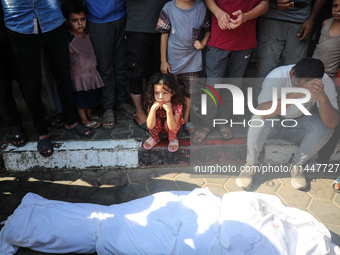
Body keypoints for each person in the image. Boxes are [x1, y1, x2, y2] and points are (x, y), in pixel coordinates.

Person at [1, 0, 93, 157]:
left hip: (52, 22)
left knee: (63, 76)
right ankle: (42, 133)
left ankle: (71, 121)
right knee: (31, 85)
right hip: (21, 26)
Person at [236, 58, 339, 191]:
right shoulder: (277, 75)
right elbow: (263, 112)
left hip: (298, 125)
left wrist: (323, 98)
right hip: (274, 123)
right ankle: (250, 164)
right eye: (298, 85)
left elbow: (332, 123)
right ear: (292, 72)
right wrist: (295, 94)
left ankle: (297, 164)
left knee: (324, 127)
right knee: (258, 117)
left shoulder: (324, 82)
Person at [192, 0, 268, 143]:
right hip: (219, 39)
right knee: (213, 85)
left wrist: (245, 16)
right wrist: (218, 12)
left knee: (234, 85)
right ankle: (206, 124)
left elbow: (264, 4)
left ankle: (223, 121)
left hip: (244, 40)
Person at [156, 0, 211, 134]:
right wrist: (163, 60)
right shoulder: (169, 8)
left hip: (193, 60)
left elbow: (208, 29)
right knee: (171, 92)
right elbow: (164, 35)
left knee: (189, 93)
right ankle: (172, 120)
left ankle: (186, 120)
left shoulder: (200, 7)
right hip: (173, 60)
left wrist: (203, 42)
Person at [255, 0, 327, 102]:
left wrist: (312, 18)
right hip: (272, 17)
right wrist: (273, 1)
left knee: (295, 74)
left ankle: (289, 113)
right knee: (265, 71)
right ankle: (259, 111)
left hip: (301, 19)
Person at [83, 0, 135, 129]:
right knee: (104, 67)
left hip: (122, 14)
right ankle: (108, 107)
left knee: (121, 63)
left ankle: (122, 101)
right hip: (98, 18)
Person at [125, 0, 169, 132]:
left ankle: (154, 109)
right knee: (136, 72)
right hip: (138, 26)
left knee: (157, 73)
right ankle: (139, 113)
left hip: (162, 26)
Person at [62, 0, 103, 129]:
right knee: (81, 100)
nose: (80, 23)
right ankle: (84, 119)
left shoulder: (86, 34)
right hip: (79, 76)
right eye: (75, 20)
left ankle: (89, 115)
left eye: (83, 19)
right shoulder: (70, 40)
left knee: (91, 96)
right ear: (67, 21)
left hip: (91, 74)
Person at [313, 0, 340, 164]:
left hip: (328, 79)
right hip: (312, 73)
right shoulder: (325, 22)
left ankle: (320, 158)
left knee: (323, 117)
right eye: (335, 5)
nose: (337, 10)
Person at [0, 3, 26, 147]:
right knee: (2, 88)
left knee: (26, 78)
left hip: (13, 31)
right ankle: (14, 123)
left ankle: (39, 116)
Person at [143, 73, 185, 152]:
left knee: (169, 122)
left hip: (171, 128)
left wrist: (169, 111)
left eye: (165, 93)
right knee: (155, 120)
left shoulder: (177, 105)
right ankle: (155, 138)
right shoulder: (153, 103)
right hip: (158, 129)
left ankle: (173, 138)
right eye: (156, 93)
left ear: (173, 92)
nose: (160, 97)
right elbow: (149, 126)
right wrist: (152, 110)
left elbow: (172, 127)